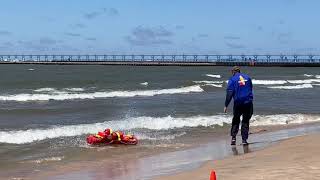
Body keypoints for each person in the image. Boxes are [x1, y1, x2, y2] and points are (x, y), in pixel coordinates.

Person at [224, 66, 253, 145]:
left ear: (233, 72)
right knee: (245, 121)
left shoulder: (232, 80)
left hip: (238, 103)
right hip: (248, 102)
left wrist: (226, 105)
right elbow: (250, 88)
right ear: (239, 71)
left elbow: (229, 93)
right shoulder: (248, 77)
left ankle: (233, 138)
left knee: (236, 120)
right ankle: (244, 140)